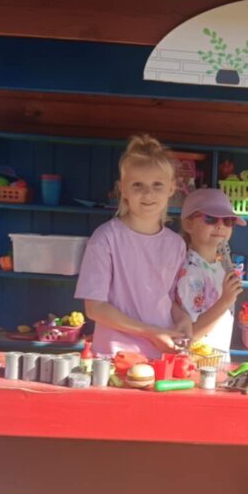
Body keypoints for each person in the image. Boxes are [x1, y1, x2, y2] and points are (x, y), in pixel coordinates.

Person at [75, 134, 191, 358]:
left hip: (162, 357)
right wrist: (151, 333)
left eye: (157, 185)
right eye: (137, 185)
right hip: (114, 357)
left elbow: (166, 299)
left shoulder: (176, 244)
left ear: (171, 188)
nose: (148, 193)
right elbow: (95, 308)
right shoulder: (105, 238)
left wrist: (182, 318)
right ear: (123, 189)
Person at [175, 188, 245, 359]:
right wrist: (225, 301)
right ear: (188, 224)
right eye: (210, 218)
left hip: (217, 362)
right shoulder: (189, 272)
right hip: (195, 364)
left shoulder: (219, 267)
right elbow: (190, 335)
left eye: (228, 221)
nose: (220, 225)